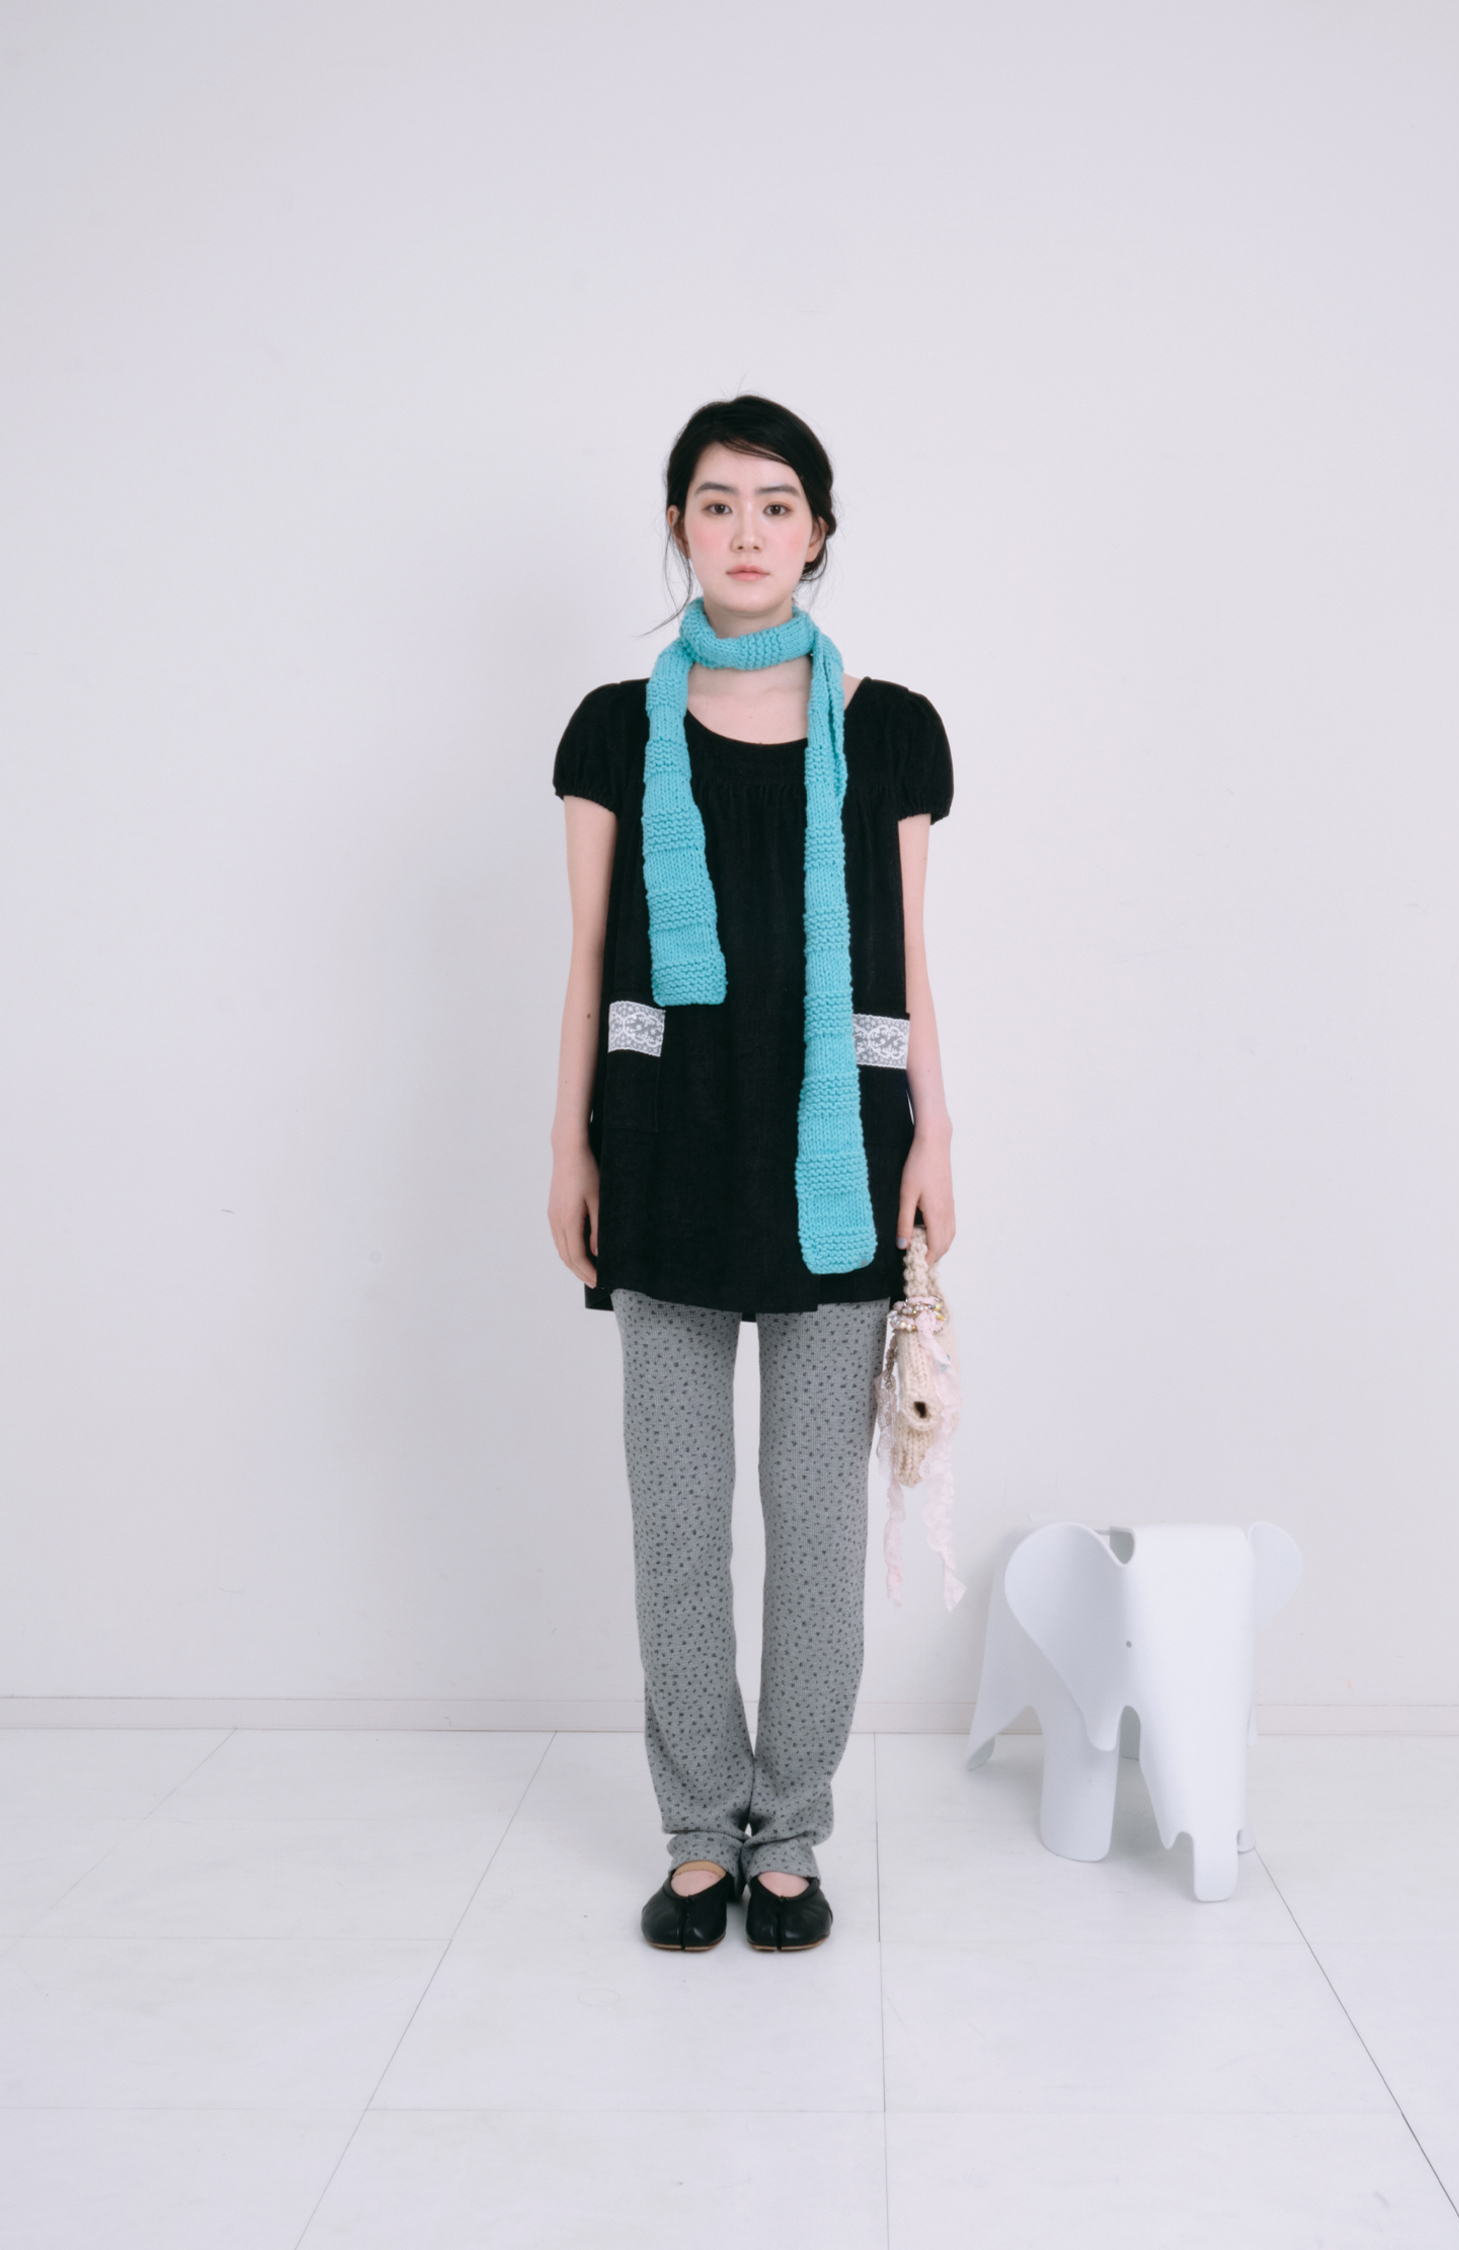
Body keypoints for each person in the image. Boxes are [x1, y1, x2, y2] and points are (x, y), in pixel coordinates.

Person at [547, 395, 955, 1953]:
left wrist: (938, 1137)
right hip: (662, 1155)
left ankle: (789, 1827)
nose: (745, 531)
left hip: (837, 1161)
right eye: (715, 502)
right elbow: (590, 955)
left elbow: (911, 960)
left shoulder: (893, 732)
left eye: (776, 504)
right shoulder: (611, 730)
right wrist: (568, 1142)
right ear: (678, 525)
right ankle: (696, 1827)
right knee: (677, 1519)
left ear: (819, 533)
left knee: (814, 1522)